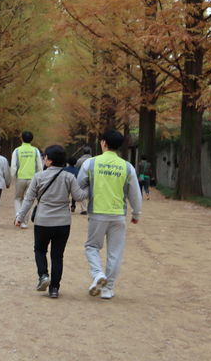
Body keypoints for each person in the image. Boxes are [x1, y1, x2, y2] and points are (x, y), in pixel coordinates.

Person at [77, 128, 142, 300]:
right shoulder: (127, 167)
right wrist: (136, 213)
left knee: (92, 247)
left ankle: (98, 274)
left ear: (104, 143)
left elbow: (79, 186)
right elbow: (134, 193)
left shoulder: (90, 164)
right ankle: (108, 288)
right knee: (115, 252)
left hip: (97, 212)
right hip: (118, 214)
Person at [15, 145, 87, 298]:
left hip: (43, 221)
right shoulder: (69, 177)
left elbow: (29, 199)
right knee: (57, 256)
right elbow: (80, 196)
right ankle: (54, 289)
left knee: (40, 250)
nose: (44, 159)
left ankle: (43, 276)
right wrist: (90, 187)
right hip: (63, 222)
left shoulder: (39, 177)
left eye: (45, 157)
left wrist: (20, 217)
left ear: (49, 160)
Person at [10, 131, 43, 229]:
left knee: (18, 198)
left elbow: (14, 166)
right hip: (32, 178)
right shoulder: (35, 150)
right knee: (28, 200)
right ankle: (24, 222)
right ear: (31, 139)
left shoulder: (17, 150)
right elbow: (39, 166)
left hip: (21, 177)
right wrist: (40, 177)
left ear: (21, 139)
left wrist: (13, 177)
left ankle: (18, 215)